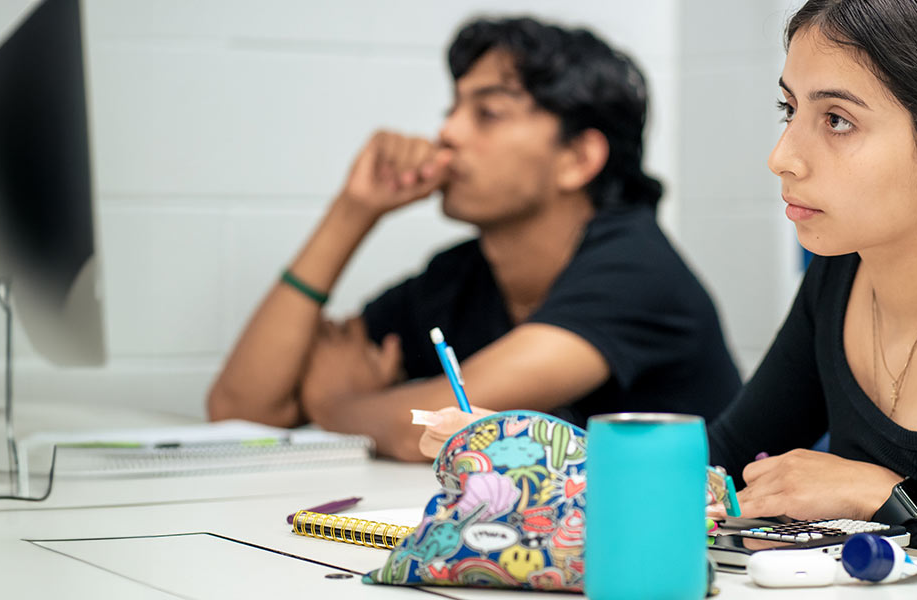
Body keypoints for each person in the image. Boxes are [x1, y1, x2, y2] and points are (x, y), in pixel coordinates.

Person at [428, 0, 917, 588]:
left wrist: (882, 498)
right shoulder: (842, 274)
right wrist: (529, 454)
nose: (783, 157)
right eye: (791, 111)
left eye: (836, 120)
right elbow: (723, 458)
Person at [207, 18, 740, 462]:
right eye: (452, 109)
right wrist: (353, 212)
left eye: (486, 113)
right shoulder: (462, 274)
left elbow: (438, 427)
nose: (448, 133)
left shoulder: (635, 269)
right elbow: (240, 408)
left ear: (578, 158)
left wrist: (335, 403)